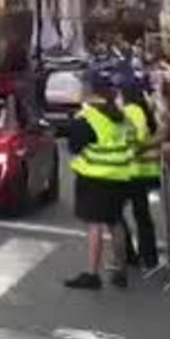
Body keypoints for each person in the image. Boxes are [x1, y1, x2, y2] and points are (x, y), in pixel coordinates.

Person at [64, 70, 136, 290]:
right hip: (121, 176)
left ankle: (92, 274)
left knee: (95, 225)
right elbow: (132, 141)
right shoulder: (122, 116)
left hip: (95, 177)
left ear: (90, 91)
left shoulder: (88, 117)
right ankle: (121, 271)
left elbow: (74, 147)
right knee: (115, 222)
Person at [118, 79, 161, 270]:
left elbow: (137, 136)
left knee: (115, 212)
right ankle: (149, 256)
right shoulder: (145, 108)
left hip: (131, 170)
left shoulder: (132, 110)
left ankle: (129, 254)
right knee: (141, 214)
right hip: (144, 170)